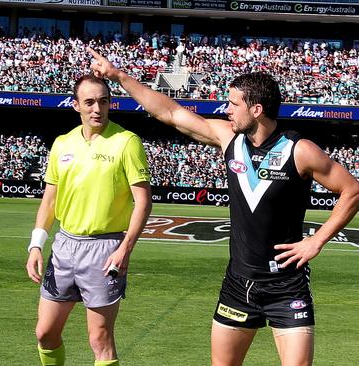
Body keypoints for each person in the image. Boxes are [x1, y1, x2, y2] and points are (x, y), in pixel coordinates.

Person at [88, 47, 359, 366]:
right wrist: (118, 76)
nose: (226, 109)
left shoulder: (300, 151)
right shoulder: (229, 139)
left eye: (233, 104)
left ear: (256, 109)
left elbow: (352, 190)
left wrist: (317, 240)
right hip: (238, 284)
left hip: (287, 286)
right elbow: (171, 113)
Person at [25, 74, 153, 366]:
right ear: (76, 106)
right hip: (64, 247)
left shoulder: (126, 142)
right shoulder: (62, 143)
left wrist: (124, 249)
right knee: (45, 333)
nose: (97, 108)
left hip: (105, 248)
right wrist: (35, 245)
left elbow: (143, 202)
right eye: (90, 102)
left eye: (103, 101)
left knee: (100, 339)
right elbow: (50, 200)